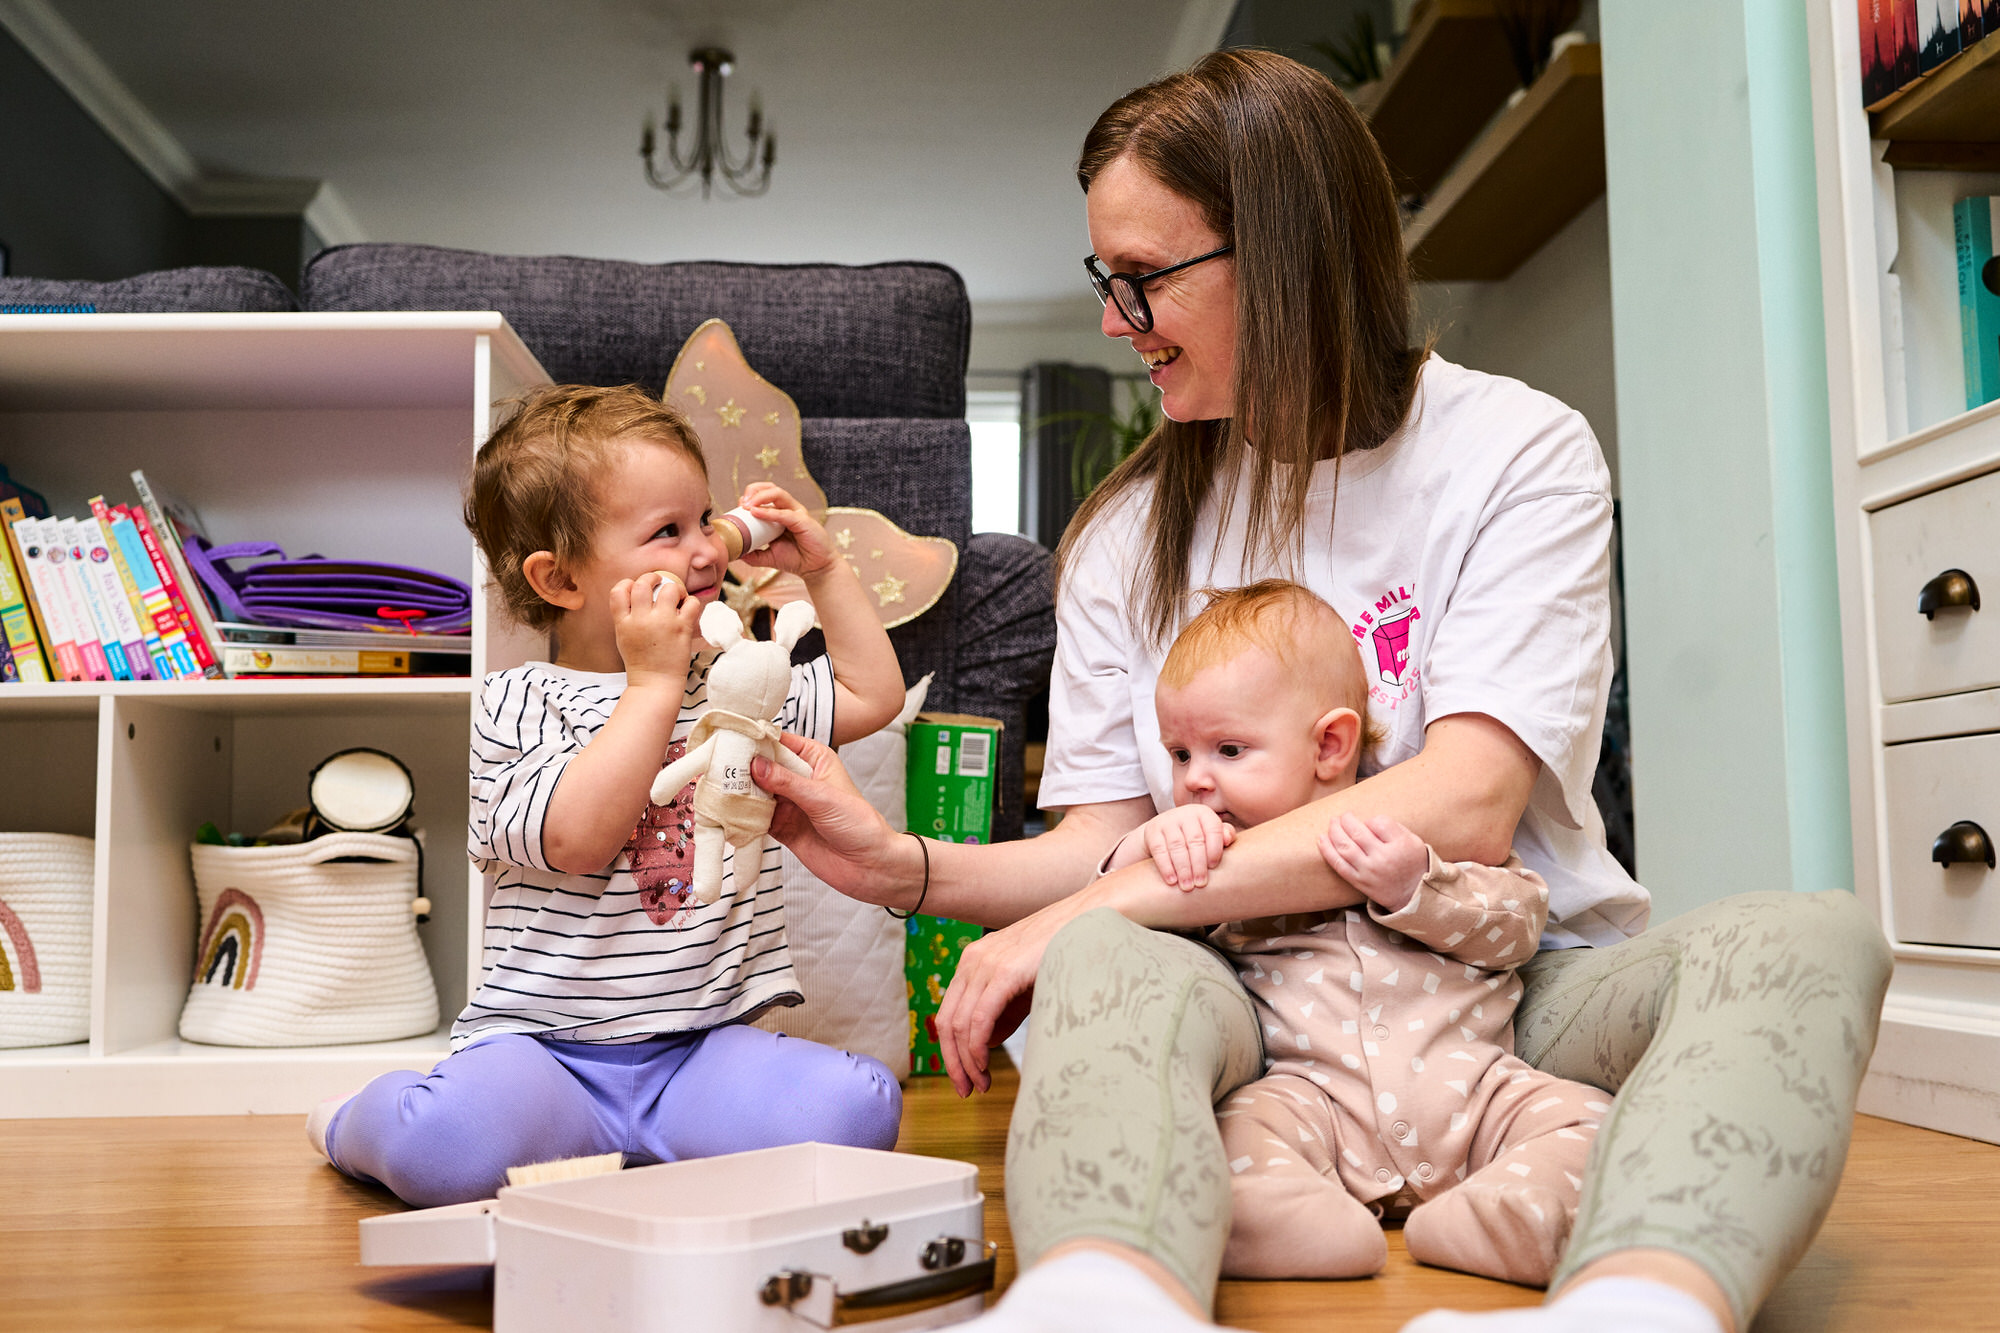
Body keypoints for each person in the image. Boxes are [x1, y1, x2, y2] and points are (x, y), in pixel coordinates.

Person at [751, 49, 1890, 1333]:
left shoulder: (1513, 452)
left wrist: (1105, 901)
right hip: (1248, 997)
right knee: (1109, 965)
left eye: (1143, 281)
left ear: (1285, 256)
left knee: (1812, 937)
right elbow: (1097, 848)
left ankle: (1637, 1307)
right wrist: (900, 867)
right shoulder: (1126, 534)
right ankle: (1101, 1298)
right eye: (1101, 278)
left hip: (1514, 989)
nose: (1114, 322)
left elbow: (1461, 803)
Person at [307, 384, 908, 1207]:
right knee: (441, 1150)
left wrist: (826, 570)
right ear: (559, 579)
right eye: (667, 531)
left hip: (700, 1053)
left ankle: (665, 1143)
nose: (706, 549)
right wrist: (654, 682)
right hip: (546, 1057)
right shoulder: (517, 701)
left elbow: (871, 694)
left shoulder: (734, 688)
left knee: (858, 1109)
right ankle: (348, 1121)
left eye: (704, 519)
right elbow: (578, 840)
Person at [1110, 580, 1606, 1288]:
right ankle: (1285, 1219)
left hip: (1476, 1095)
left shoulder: (1418, 830)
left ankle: (1507, 1211)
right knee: (1233, 1130)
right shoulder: (1218, 859)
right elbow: (1125, 895)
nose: (1194, 780)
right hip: (1314, 1103)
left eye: (1226, 749)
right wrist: (1154, 843)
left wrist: (1418, 888)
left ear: (1330, 745)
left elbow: (1516, 927)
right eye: (1180, 754)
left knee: (1591, 1119)